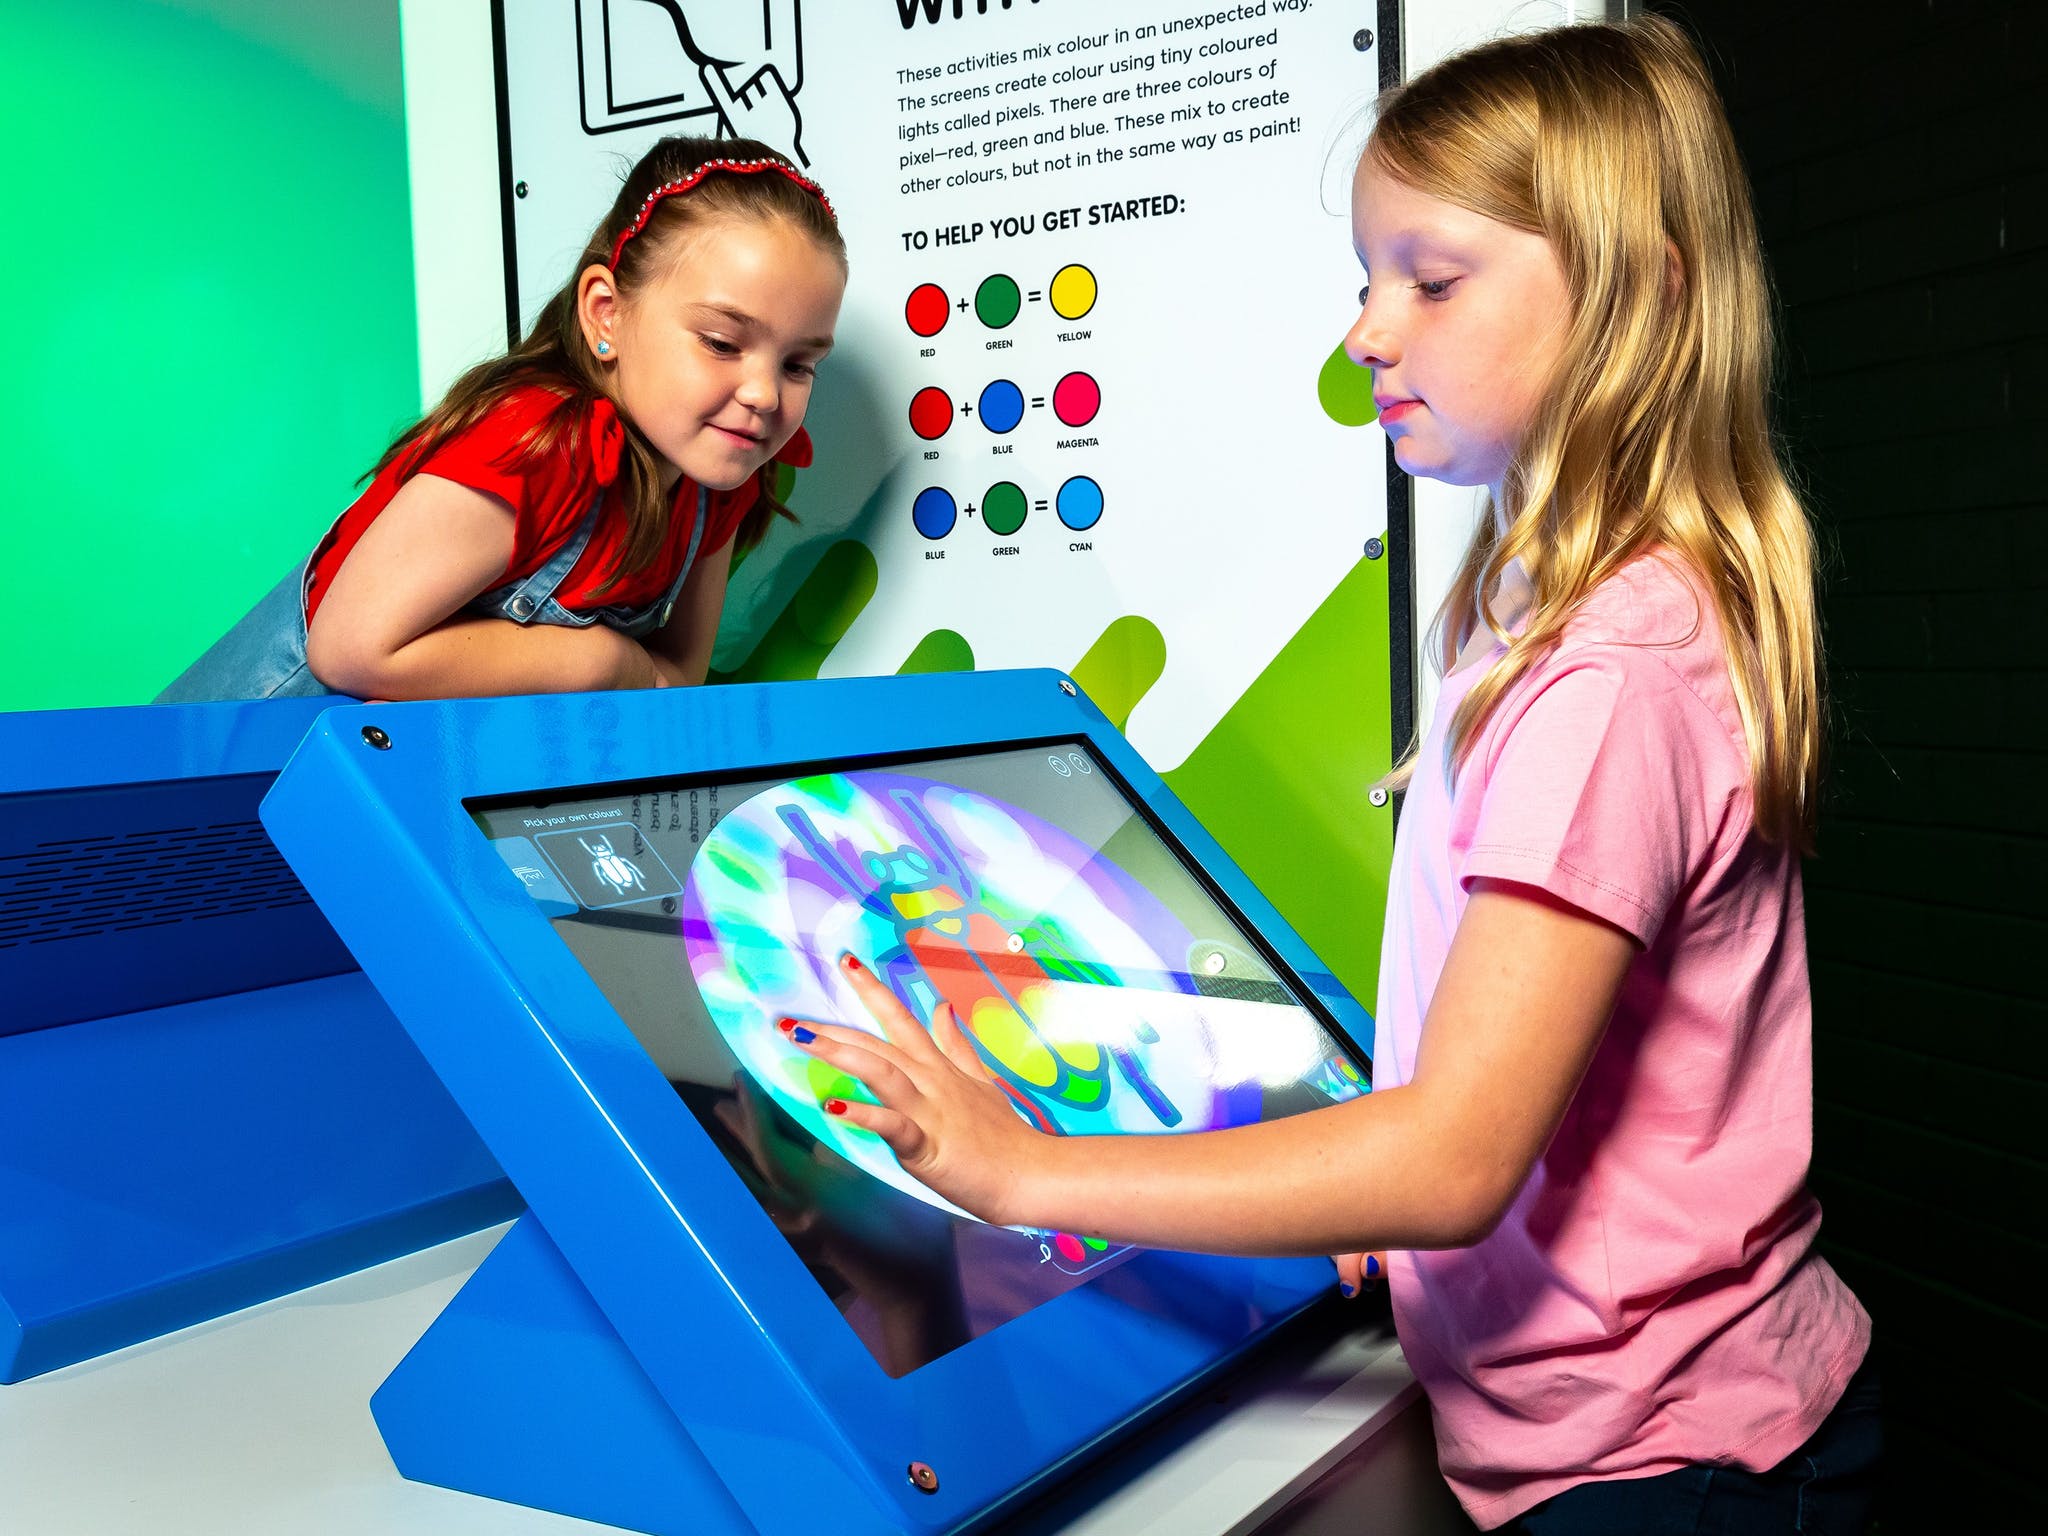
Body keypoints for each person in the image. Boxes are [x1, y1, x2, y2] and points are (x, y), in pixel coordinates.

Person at [782, 18, 1880, 1532]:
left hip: (1671, 1473)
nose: (1372, 330)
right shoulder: (1559, 597)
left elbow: (1452, 1162)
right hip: (1661, 1433)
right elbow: (1491, 1071)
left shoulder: (1614, 667)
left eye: (1432, 281)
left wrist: (1024, 1170)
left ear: (1640, 295)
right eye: (1369, 280)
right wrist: (1376, 1181)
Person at [157, 135, 845, 703]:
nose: (763, 393)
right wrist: (599, 664)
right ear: (607, 314)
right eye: (723, 343)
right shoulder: (539, 445)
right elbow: (350, 650)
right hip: (226, 779)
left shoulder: (714, 484)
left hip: (378, 789)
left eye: (798, 365)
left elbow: (678, 673)